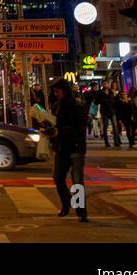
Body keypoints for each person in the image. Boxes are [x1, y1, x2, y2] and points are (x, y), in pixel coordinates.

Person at [47, 79, 88, 222]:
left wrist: (60, 131)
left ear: (65, 91)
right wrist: (49, 131)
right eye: (54, 92)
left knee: (77, 180)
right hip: (61, 147)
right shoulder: (56, 106)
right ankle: (66, 202)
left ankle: (80, 211)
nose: (56, 94)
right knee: (58, 177)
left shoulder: (78, 106)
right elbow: (54, 124)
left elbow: (80, 129)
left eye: (57, 91)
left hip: (76, 146)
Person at [99, 82, 119, 147]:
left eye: (106, 84)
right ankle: (106, 142)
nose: (105, 85)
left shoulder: (111, 91)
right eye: (104, 84)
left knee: (115, 127)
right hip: (104, 112)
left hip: (112, 111)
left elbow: (115, 100)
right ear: (102, 85)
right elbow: (97, 102)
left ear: (108, 85)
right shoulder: (100, 92)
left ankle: (116, 142)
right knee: (105, 127)